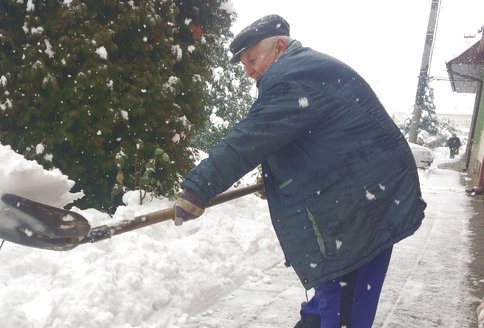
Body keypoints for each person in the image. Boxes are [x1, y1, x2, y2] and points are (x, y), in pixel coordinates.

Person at [173, 14, 427, 328]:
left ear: (279, 46)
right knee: (335, 291)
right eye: (244, 65)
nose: (249, 71)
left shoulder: (293, 76)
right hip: (365, 196)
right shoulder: (307, 69)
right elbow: (310, 139)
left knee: (344, 304)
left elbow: (252, 137)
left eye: (252, 60)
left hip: (358, 209)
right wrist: (278, 177)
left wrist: (199, 186)